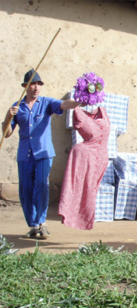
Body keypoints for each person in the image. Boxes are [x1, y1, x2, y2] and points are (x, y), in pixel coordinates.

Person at [2, 69, 79, 239]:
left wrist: (77, 102)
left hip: (43, 153)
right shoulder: (17, 107)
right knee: (25, 190)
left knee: (41, 187)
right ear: (25, 87)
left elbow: (63, 104)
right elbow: (7, 133)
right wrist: (8, 116)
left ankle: (42, 223)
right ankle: (33, 225)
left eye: (38, 84)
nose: (36, 88)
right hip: (25, 155)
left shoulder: (46, 103)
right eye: (32, 84)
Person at [58, 72, 110, 230]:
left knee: (90, 190)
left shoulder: (103, 111)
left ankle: (83, 219)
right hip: (85, 156)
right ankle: (78, 219)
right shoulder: (78, 112)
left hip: (100, 157)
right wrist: (79, 102)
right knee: (82, 188)